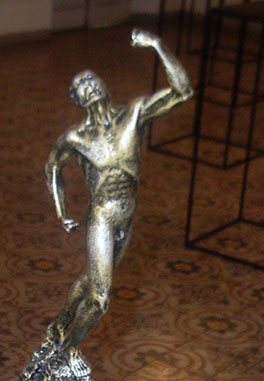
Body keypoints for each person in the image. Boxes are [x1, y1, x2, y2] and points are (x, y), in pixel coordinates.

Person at [45, 29, 192, 349]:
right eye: (80, 85)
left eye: (91, 79)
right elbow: (53, 166)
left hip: (128, 216)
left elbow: (182, 91)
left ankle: (61, 321)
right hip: (102, 215)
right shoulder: (76, 138)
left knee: (93, 279)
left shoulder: (134, 113)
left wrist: (157, 45)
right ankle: (68, 351)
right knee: (99, 298)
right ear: (77, 100)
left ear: (104, 85)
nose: (88, 85)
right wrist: (61, 212)